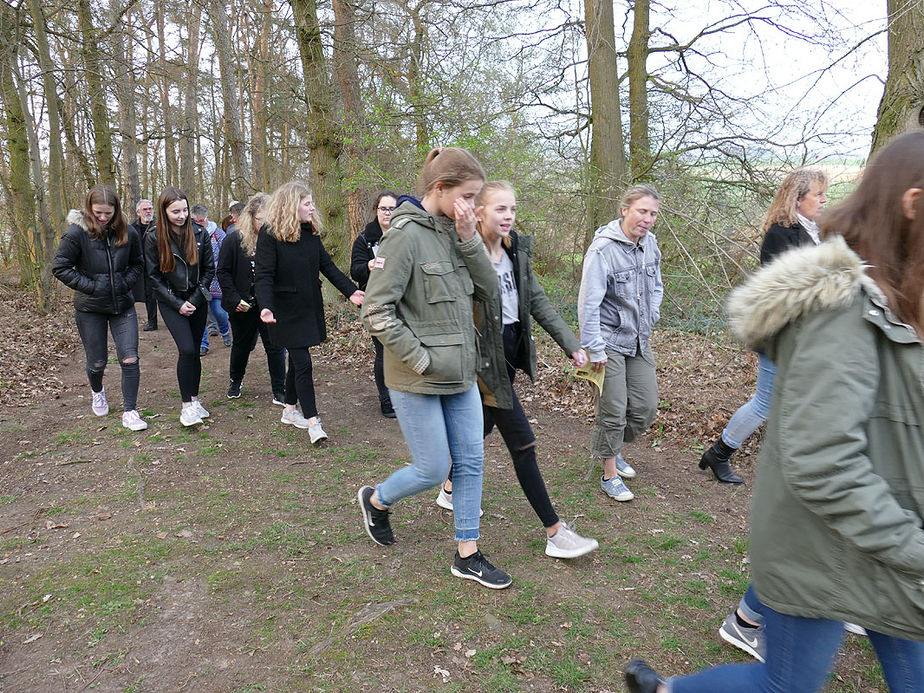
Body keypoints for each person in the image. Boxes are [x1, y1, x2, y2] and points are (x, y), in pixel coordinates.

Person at [624, 130, 924, 693]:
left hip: (879, 542)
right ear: (912, 204)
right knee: (785, 686)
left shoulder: (901, 298)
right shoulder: (843, 306)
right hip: (824, 547)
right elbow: (822, 458)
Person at [357, 147, 512, 590]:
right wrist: (421, 358)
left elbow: (489, 291)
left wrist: (468, 236)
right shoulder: (403, 236)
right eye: (468, 195)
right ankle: (378, 500)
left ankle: (468, 553)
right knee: (431, 469)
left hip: (461, 374)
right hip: (416, 377)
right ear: (440, 190)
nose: (474, 205)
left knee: (471, 462)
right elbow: (377, 311)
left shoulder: (456, 231)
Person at [437, 181, 599, 559]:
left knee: (481, 427)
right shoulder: (465, 252)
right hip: (481, 361)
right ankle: (555, 532)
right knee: (523, 443)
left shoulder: (515, 252)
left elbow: (537, 302)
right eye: (500, 209)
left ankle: (443, 487)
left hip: (510, 351)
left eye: (512, 209)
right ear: (478, 212)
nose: (508, 216)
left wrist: (571, 344)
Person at [699, 168, 828, 486]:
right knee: (765, 403)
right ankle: (719, 454)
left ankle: (800, 467)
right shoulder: (780, 234)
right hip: (779, 335)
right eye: (819, 194)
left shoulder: (817, 231)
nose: (825, 200)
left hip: (807, 336)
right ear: (798, 199)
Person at [254, 181, 363, 445]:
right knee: (303, 363)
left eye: (312, 203)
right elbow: (264, 276)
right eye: (307, 204)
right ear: (292, 206)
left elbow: (329, 267)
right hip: (282, 311)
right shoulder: (270, 235)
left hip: (308, 307)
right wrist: (265, 305)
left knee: (298, 360)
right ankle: (313, 422)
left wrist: (351, 291)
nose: (312, 208)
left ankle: (290, 410)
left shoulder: (311, 234)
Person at [578, 184, 663, 502]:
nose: (647, 219)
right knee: (613, 410)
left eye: (653, 213)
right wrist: (594, 348)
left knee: (645, 408)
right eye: (642, 211)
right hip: (607, 341)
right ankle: (609, 473)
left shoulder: (651, 244)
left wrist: (652, 314)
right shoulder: (603, 249)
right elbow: (588, 303)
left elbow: (657, 285)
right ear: (625, 209)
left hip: (638, 338)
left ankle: (609, 447)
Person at [52, 184, 147, 431]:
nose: (103, 218)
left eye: (108, 213)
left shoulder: (128, 232)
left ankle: (130, 411)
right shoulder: (76, 234)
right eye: (98, 213)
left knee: (129, 357)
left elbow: (138, 264)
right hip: (90, 308)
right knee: (97, 363)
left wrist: (124, 282)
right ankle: (98, 391)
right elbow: (60, 267)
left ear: (116, 210)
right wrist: (93, 286)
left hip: (122, 306)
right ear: (89, 209)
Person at [145, 187, 214, 427]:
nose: (182, 215)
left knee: (195, 351)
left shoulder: (200, 233)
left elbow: (208, 271)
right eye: (175, 211)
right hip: (171, 301)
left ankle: (195, 400)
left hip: (196, 300)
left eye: (184, 210)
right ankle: (186, 406)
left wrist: (194, 300)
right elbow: (153, 277)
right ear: (164, 211)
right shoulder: (154, 236)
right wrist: (177, 303)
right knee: (185, 349)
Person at [216, 193, 286, 402]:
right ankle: (235, 381)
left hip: (269, 304)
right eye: (261, 220)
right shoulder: (234, 239)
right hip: (242, 305)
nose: (265, 225)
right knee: (242, 345)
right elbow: (223, 272)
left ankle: (279, 390)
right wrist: (235, 298)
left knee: (275, 347)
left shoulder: (278, 240)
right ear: (251, 217)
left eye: (270, 220)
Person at [350, 191, 399, 418]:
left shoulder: (405, 234)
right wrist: (370, 264)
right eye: (383, 209)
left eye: (392, 209)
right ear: (376, 211)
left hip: (403, 301)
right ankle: (386, 398)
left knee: (400, 351)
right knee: (383, 350)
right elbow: (355, 270)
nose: (388, 213)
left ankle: (404, 394)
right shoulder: (364, 239)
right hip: (375, 301)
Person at [191, 204, 231, 355]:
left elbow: (227, 256)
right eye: (196, 221)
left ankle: (225, 331)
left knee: (219, 311)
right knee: (199, 315)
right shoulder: (189, 234)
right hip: (197, 281)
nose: (199, 223)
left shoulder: (218, 234)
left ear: (206, 218)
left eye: (201, 220)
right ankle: (203, 343)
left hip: (216, 281)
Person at [130, 198, 158, 331]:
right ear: (138, 212)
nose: (148, 211)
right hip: (143, 267)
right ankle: (152, 322)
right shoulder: (132, 228)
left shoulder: (160, 224)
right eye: (145, 209)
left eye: (150, 209)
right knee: (149, 295)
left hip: (160, 265)